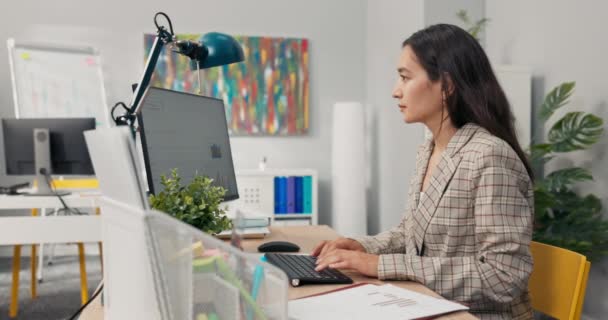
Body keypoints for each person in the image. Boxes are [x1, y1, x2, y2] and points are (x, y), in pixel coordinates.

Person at [312, 24, 534, 319]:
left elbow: (502, 275)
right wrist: (361, 246)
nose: (395, 90)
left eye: (405, 77)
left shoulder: (489, 156)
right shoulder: (429, 149)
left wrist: (379, 265)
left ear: (446, 85)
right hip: (429, 305)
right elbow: (410, 233)